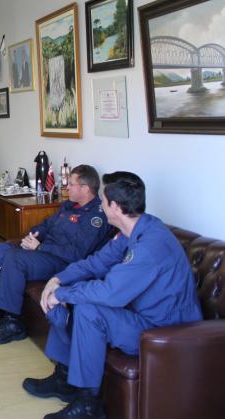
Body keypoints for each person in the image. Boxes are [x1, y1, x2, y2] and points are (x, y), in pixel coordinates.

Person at [23, 172, 202, 419]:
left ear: (115, 207)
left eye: (104, 201)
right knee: (73, 300)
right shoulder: (135, 229)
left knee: (86, 308)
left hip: (165, 332)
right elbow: (97, 262)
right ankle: (64, 378)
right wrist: (58, 279)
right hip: (141, 315)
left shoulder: (150, 245)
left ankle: (88, 406)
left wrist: (63, 293)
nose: (101, 205)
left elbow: (111, 294)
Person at [0, 165, 112, 345]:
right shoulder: (68, 206)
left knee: (14, 259)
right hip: (42, 250)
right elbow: (46, 225)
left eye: (71, 184)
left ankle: (14, 322)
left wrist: (40, 247)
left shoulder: (96, 217)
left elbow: (76, 254)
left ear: (85, 189)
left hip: (62, 262)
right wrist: (32, 236)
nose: (67, 187)